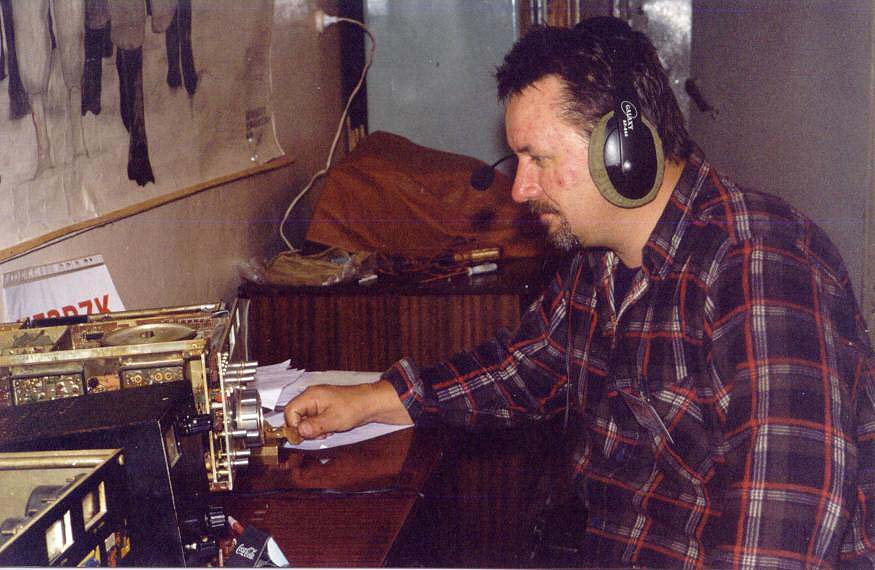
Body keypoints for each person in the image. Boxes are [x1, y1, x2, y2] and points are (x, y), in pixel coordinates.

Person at [284, 17, 875, 568]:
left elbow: (781, 527)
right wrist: (374, 399)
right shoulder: (599, 261)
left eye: (536, 158)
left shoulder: (760, 263)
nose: (519, 189)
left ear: (625, 151)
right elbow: (525, 368)